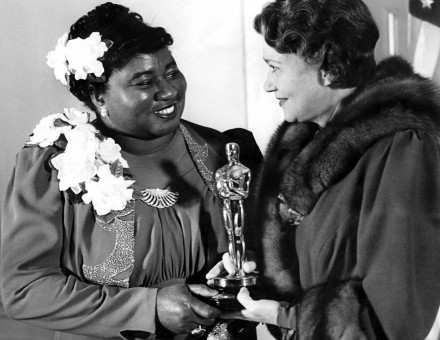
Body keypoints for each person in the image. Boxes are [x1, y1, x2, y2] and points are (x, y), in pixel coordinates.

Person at [0, 3, 262, 340]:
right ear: (98, 96)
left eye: (171, 72)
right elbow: (23, 288)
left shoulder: (221, 151)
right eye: (143, 82)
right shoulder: (56, 163)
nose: (169, 91)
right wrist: (147, 307)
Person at [207, 0, 440, 338]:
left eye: (275, 67)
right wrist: (251, 281)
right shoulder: (307, 145)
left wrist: (288, 316)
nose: (268, 85)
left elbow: (395, 318)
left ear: (329, 68)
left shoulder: (404, 149)